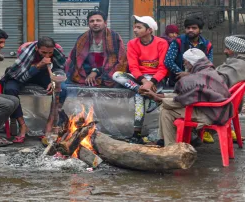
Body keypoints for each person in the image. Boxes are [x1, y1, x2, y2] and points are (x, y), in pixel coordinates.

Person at [142, 48, 232, 146]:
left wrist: (159, 98)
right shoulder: (208, 70)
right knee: (166, 107)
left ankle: (170, 146)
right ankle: (167, 142)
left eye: (185, 62)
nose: (184, 64)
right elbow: (187, 96)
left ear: (190, 62)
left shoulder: (195, 79)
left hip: (211, 114)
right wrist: (162, 96)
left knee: (166, 110)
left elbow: (184, 100)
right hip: (216, 110)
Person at [112, 15, 168, 144]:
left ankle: (136, 134)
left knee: (139, 97)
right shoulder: (132, 43)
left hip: (156, 80)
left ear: (149, 30)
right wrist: (143, 83)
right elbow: (133, 67)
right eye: (135, 27)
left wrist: (151, 82)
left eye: (139, 27)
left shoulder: (161, 43)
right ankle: (142, 91)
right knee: (116, 75)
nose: (135, 30)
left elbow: (163, 68)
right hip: (139, 79)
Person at [0, 36, 67, 142]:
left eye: (50, 53)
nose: (47, 55)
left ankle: (49, 124)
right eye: (43, 52)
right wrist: (39, 65)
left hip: (44, 75)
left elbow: (60, 68)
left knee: (62, 89)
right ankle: (22, 125)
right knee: (10, 89)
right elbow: (19, 73)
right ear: (37, 48)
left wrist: (54, 80)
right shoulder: (24, 50)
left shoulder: (57, 50)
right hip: (25, 74)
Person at [203, 35, 245, 143]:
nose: (225, 51)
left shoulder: (238, 65)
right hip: (232, 103)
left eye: (228, 48)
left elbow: (216, 82)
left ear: (236, 50)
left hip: (223, 105)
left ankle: (202, 130)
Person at [65, 10, 127, 87]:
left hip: (109, 72)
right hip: (86, 73)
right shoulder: (82, 39)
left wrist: (97, 72)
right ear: (88, 24)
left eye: (98, 20)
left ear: (105, 23)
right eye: (92, 21)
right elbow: (75, 60)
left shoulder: (114, 37)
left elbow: (121, 60)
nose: (95, 23)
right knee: (65, 86)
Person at [164, 16, 213, 87]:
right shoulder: (178, 41)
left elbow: (209, 66)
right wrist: (181, 73)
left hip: (199, 84)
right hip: (177, 83)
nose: (190, 30)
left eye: (194, 28)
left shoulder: (207, 45)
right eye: (188, 28)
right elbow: (168, 61)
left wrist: (191, 75)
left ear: (200, 30)